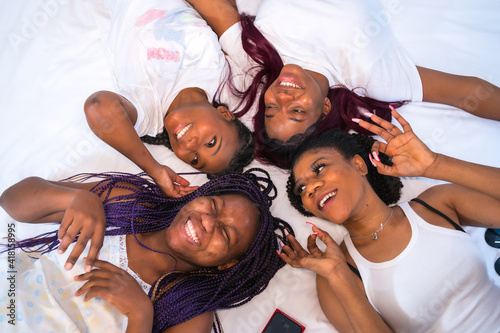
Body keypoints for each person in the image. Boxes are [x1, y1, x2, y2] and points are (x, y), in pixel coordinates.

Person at [185, 0, 500, 169]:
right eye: (295, 110)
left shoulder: (254, 57)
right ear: (324, 108)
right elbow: (468, 93)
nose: (282, 95)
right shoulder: (370, 76)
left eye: (271, 107)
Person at [281, 108, 500, 332]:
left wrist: (434, 165)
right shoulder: (333, 274)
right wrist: (339, 275)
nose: (311, 188)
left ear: (358, 164)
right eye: (302, 188)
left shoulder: (437, 204)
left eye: (320, 168)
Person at [0, 168, 292, 333]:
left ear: (229, 264)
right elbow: (12, 201)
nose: (207, 221)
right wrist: (78, 197)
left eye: (226, 234)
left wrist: (141, 314)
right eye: (213, 206)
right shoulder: (128, 203)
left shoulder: (190, 313)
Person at [84, 0, 254, 198]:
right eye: (210, 143)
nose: (190, 145)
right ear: (224, 113)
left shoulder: (148, 112)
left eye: (195, 160)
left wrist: (154, 170)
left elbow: (98, 107)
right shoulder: (224, 78)